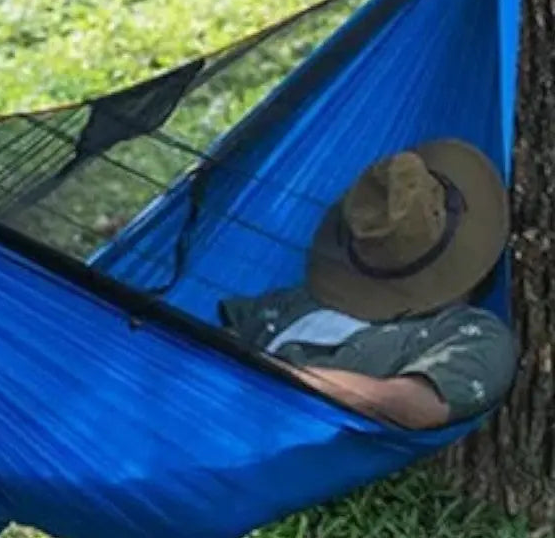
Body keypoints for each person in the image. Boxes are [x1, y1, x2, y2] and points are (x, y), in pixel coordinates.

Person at [220, 138, 519, 430]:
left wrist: (276, 377)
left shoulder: (471, 333)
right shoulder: (305, 299)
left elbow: (415, 405)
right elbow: (210, 346)